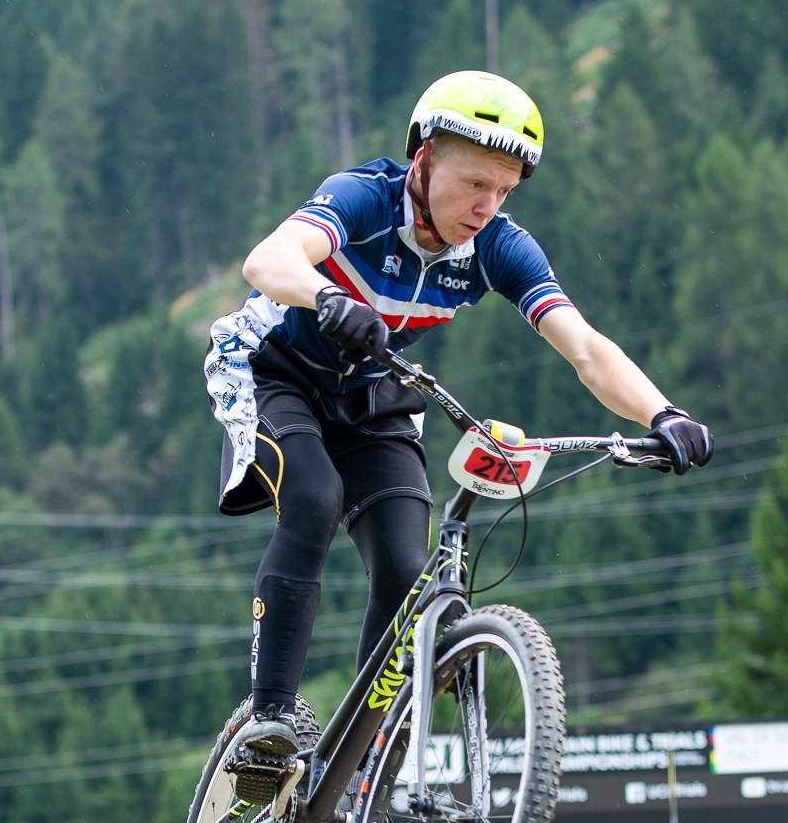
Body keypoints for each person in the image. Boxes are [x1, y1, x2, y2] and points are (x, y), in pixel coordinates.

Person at [203, 71, 714, 766]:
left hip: (375, 390)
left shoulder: (499, 247)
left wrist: (663, 411)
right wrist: (325, 296)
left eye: (504, 191)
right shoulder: (365, 197)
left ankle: (354, 760)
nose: (487, 206)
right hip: (273, 369)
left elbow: (586, 348)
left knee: (409, 570)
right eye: (476, 184)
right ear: (424, 161)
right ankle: (269, 721)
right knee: (314, 496)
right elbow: (267, 259)